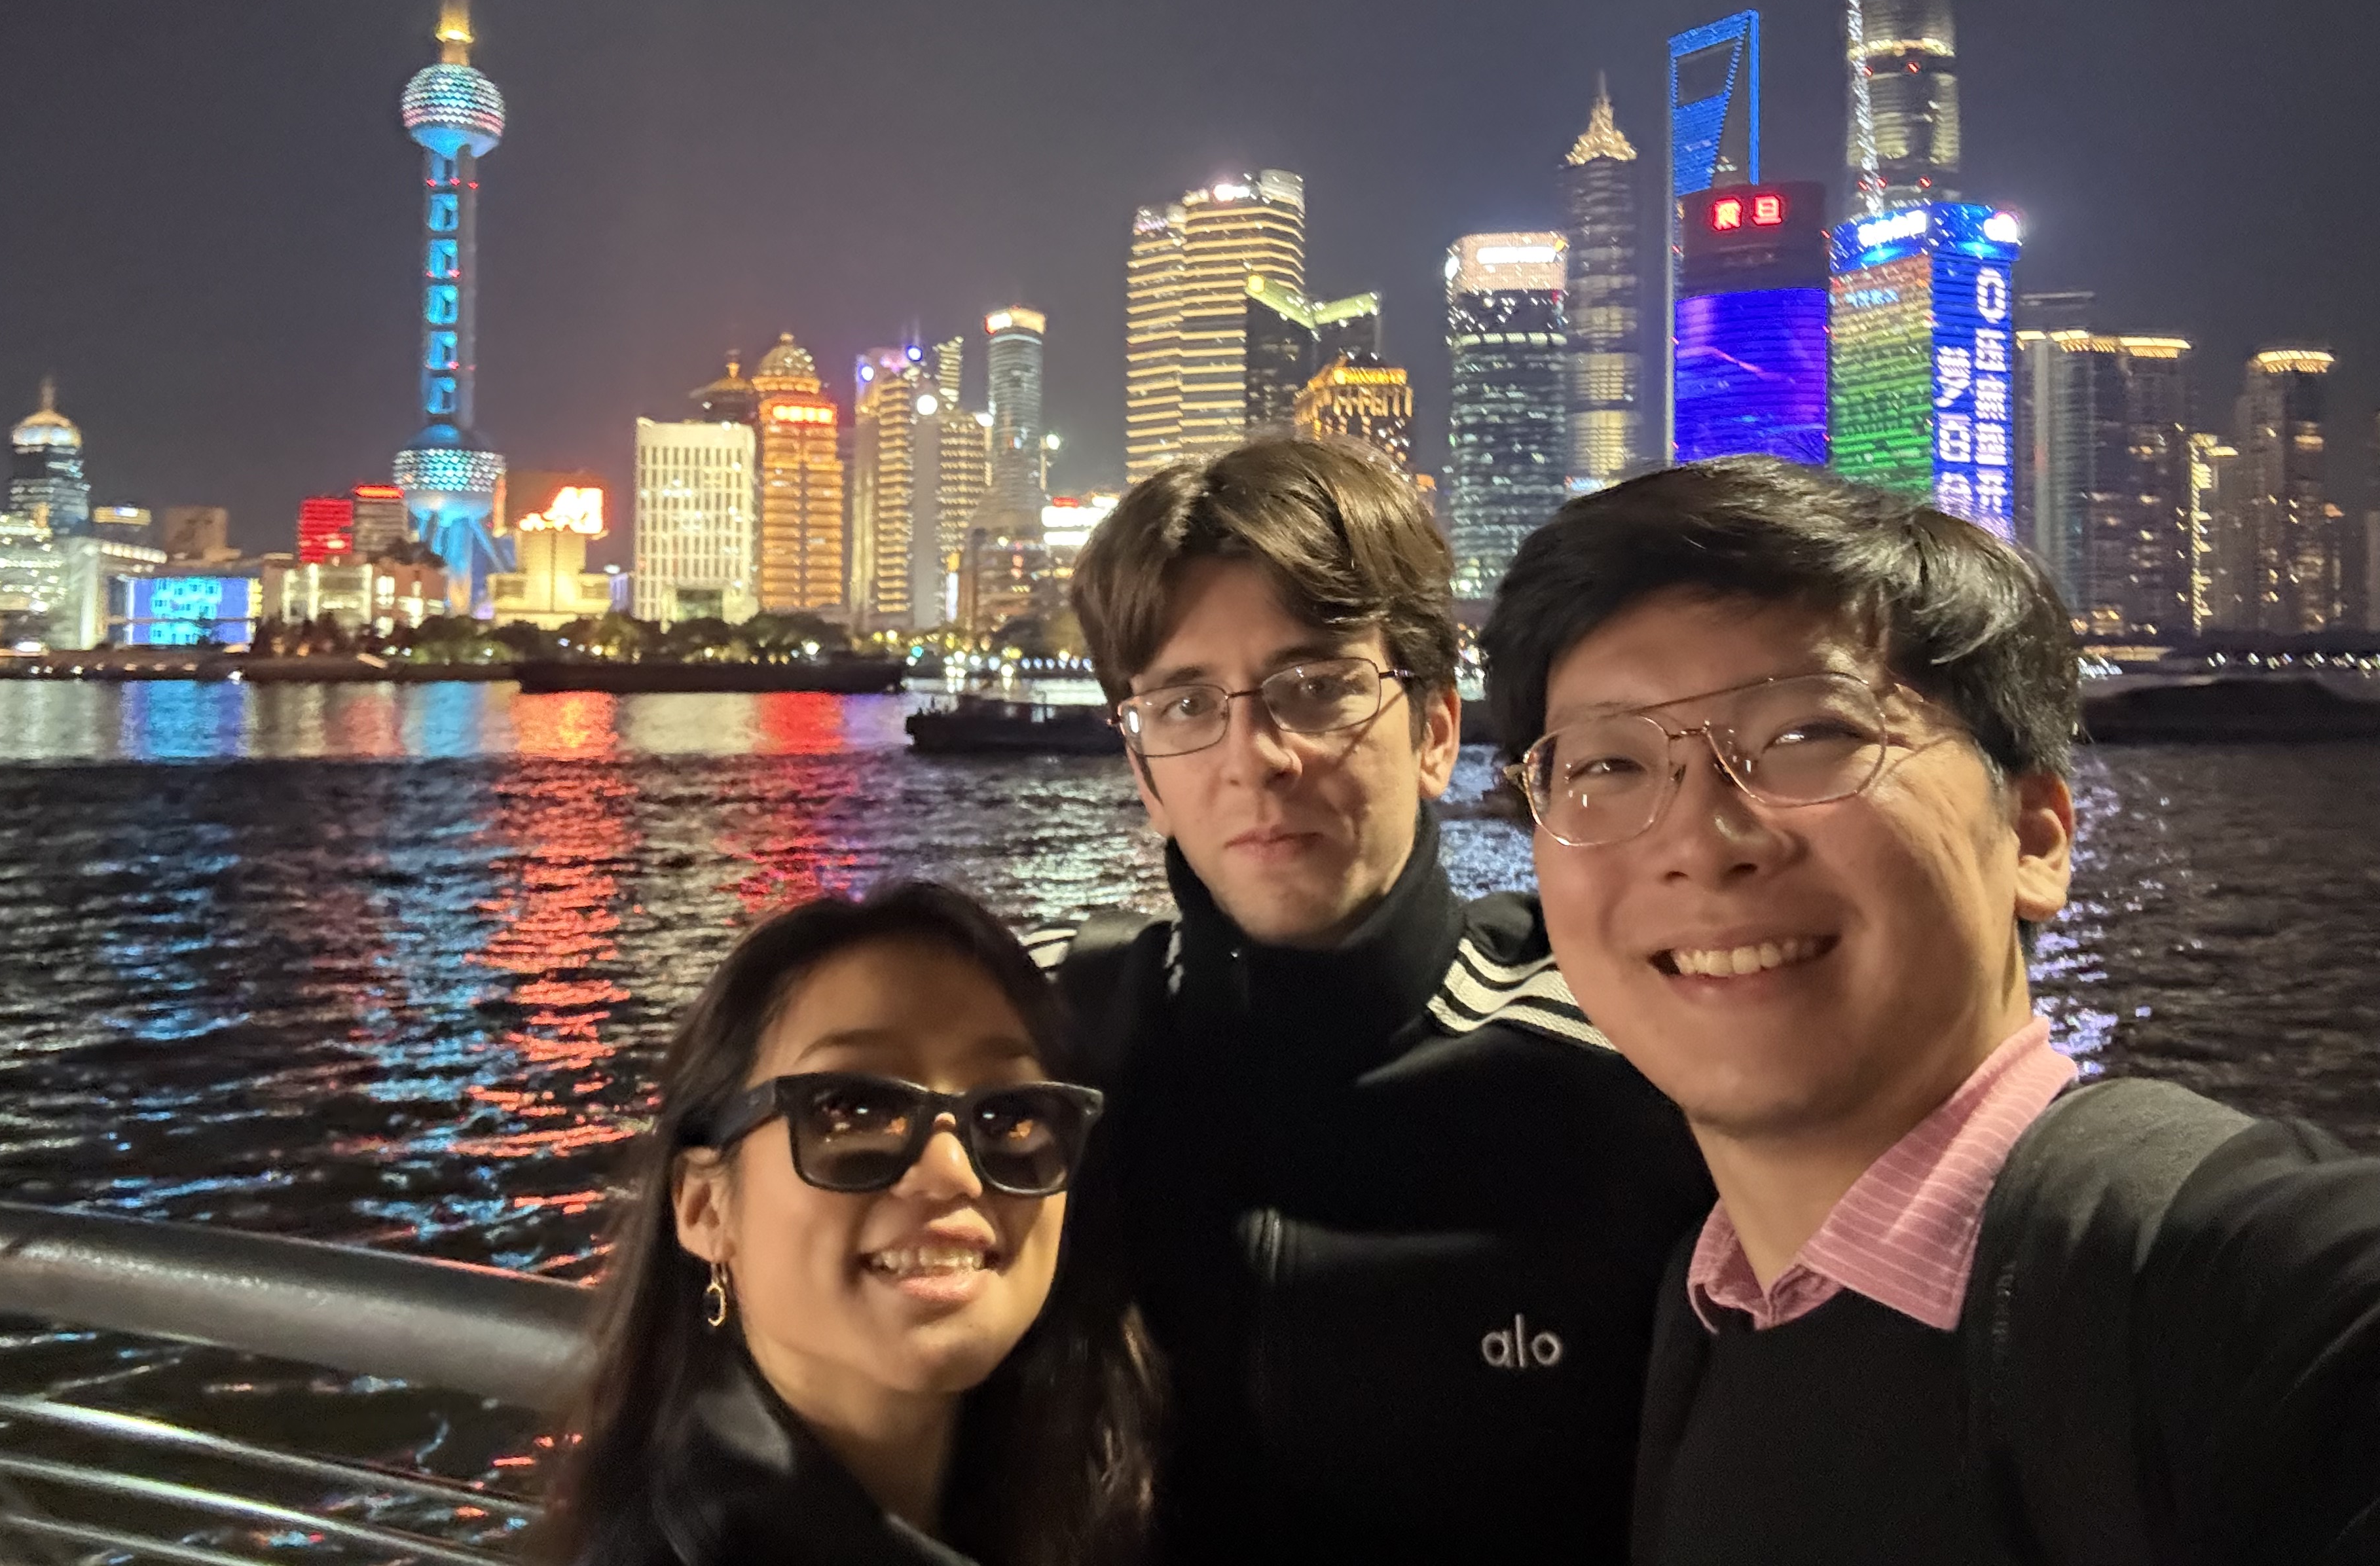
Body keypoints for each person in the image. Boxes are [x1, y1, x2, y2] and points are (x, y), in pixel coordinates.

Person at [1482, 454, 2380, 1563]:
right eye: (1607, 764)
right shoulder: (1713, 1302)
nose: (1701, 843)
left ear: (2035, 837)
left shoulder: (2223, 1292)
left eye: (1808, 736)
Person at [1046, 438, 1713, 1563]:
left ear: (1436, 731)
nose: (1255, 757)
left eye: (1317, 689)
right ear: (1144, 771)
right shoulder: (1042, 1047)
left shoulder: (1632, 1066)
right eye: (1186, 704)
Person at [547, 883, 1156, 1566]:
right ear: (705, 1207)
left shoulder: (1094, 1500)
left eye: (1011, 1116)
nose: (952, 1170)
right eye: (854, 1111)